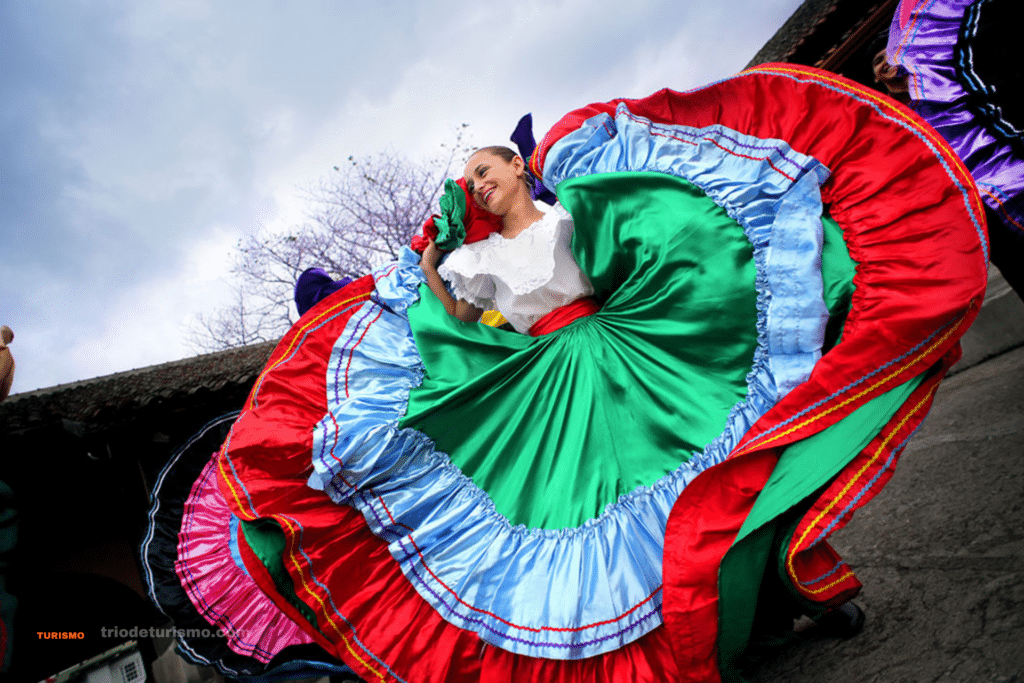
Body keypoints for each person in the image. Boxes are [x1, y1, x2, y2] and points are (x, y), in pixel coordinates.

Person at [143, 64, 988, 683]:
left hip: (634, 355)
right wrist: (428, 261)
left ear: (516, 167)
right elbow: (461, 319)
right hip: (557, 387)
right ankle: (717, 629)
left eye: (489, 166)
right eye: (470, 175)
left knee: (722, 472)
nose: (480, 178)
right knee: (623, 530)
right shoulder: (475, 259)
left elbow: (635, 235)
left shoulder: (575, 206)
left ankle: (795, 582)